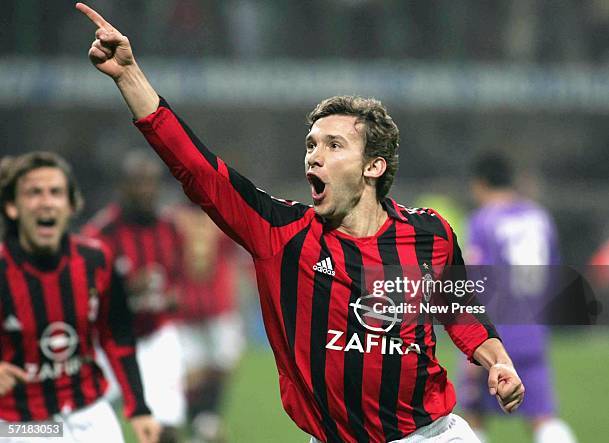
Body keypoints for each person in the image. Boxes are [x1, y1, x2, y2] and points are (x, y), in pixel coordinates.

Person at [76, 4, 525, 442]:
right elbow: (198, 169)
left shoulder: (430, 234)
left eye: (334, 145)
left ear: (373, 166)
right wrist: (129, 76)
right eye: (312, 144)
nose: (314, 154)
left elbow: (458, 310)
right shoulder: (282, 234)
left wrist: (496, 359)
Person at [0, 151, 160, 443]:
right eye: (34, 192)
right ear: (12, 206)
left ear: (71, 205)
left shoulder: (95, 260)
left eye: (56, 192)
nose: (46, 201)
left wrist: (138, 407)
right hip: (22, 424)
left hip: (91, 415)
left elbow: (118, 336)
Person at [456, 153, 577, 443]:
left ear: (480, 183)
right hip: (532, 330)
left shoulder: (483, 221)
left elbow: (476, 283)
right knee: (542, 417)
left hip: (494, 335)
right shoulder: (540, 217)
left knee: (472, 419)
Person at [82, 150, 186, 443]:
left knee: (164, 429)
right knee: (90, 426)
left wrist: (173, 296)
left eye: (150, 182)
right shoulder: (100, 233)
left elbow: (176, 278)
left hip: (157, 337)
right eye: (137, 182)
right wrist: (124, 290)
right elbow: (83, 296)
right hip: (109, 343)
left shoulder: (169, 227)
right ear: (122, 187)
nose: (145, 190)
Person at [171, 204, 245, 443]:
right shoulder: (172, 220)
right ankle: (202, 423)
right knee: (191, 373)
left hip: (220, 306)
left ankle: (204, 422)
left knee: (224, 363)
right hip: (185, 308)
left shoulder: (224, 212)